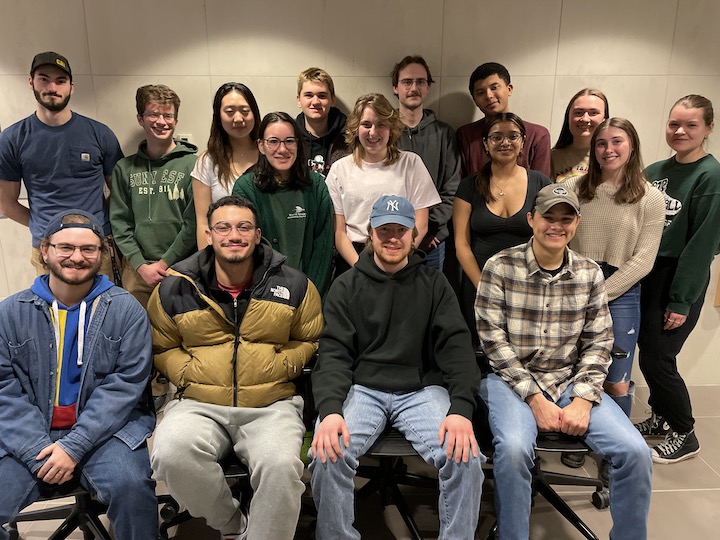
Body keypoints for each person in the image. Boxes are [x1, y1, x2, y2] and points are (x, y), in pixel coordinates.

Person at [476, 184, 653, 540]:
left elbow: (600, 341)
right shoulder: (500, 266)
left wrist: (585, 398)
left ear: (576, 224)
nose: (556, 226)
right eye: (548, 217)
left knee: (636, 452)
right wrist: (534, 398)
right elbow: (492, 340)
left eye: (565, 219)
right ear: (531, 219)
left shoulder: (590, 274)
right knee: (512, 451)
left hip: (571, 381)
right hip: (513, 382)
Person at [148, 196, 323, 540]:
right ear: (209, 234)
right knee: (170, 454)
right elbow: (161, 345)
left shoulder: (294, 284)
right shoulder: (175, 286)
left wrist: (281, 363)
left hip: (271, 404)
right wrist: (188, 372)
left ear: (258, 235)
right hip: (198, 403)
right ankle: (233, 527)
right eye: (223, 227)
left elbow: (312, 339)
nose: (234, 235)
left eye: (244, 227)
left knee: (282, 467)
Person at [310, 195, 484, 540]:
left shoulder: (434, 284)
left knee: (466, 458)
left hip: (422, 390)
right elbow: (333, 354)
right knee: (327, 453)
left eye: (400, 230)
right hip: (362, 389)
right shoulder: (346, 286)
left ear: (414, 235)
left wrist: (462, 409)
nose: (392, 237)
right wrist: (330, 411)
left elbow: (458, 350)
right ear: (370, 233)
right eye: (384, 229)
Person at [0, 210, 157, 540]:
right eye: (65, 247)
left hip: (105, 434)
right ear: (45, 250)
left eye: (89, 249)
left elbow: (126, 385)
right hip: (31, 436)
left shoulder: (126, 310)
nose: (77, 257)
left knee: (132, 491)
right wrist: (34, 450)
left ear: (101, 254)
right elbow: (4, 389)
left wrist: (73, 447)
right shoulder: (9, 313)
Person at [561, 117, 664, 472]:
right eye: (601, 144)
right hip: (574, 284)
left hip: (621, 289)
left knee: (615, 376)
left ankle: (614, 451)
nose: (609, 150)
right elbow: (560, 240)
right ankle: (580, 434)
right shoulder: (575, 188)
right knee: (575, 367)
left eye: (617, 142)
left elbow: (644, 259)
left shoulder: (650, 198)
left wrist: (600, 293)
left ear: (631, 145)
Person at [635, 94, 720, 464]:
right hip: (648, 271)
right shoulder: (654, 171)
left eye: (690, 125)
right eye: (674, 124)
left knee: (659, 357)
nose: (680, 131)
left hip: (679, 274)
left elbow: (702, 245)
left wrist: (681, 300)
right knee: (649, 353)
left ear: (708, 129)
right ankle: (660, 417)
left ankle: (685, 431)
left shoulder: (711, 176)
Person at [0, 52, 123, 279]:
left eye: (60, 81)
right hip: (48, 249)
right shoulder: (12, 138)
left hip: (96, 245)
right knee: (56, 314)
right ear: (31, 83)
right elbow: (6, 204)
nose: (52, 87)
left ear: (71, 87)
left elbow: (120, 192)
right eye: (44, 79)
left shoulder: (100, 134)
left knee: (106, 311)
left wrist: (95, 221)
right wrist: (47, 229)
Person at [453, 112, 551, 342]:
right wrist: (484, 288)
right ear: (486, 144)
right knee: (481, 352)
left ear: (523, 142)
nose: (505, 142)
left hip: (528, 286)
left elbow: (550, 237)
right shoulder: (469, 186)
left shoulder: (541, 183)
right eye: (496, 137)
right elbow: (461, 244)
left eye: (512, 136)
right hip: (479, 282)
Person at [325, 93, 440, 272]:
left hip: (401, 256)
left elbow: (421, 224)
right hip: (354, 260)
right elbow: (339, 232)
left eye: (381, 124)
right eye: (366, 124)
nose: (373, 132)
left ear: (391, 128)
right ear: (355, 128)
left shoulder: (411, 163)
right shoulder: (339, 170)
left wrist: (398, 260)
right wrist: (361, 267)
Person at [110, 84, 198, 308]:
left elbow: (193, 222)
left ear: (176, 120)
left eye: (168, 115)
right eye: (153, 114)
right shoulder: (124, 168)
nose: (162, 122)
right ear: (140, 118)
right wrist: (140, 265)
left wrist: (165, 262)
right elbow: (121, 223)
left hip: (183, 265)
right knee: (137, 332)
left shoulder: (194, 164)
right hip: (137, 269)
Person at [233, 112, 333, 298]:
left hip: (309, 292)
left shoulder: (316, 185)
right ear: (261, 146)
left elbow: (323, 247)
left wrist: (311, 295)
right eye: (273, 141)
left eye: (289, 141)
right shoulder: (246, 188)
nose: (282, 149)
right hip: (262, 294)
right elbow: (245, 247)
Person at [391, 55, 461, 270]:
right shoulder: (384, 133)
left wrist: (429, 230)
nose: (414, 87)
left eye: (421, 81)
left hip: (432, 241)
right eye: (407, 82)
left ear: (428, 87)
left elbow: (452, 188)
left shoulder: (444, 133)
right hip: (390, 239)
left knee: (428, 301)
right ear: (395, 87)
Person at [193, 82, 261, 248]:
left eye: (245, 111)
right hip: (226, 253)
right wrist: (207, 266)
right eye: (229, 112)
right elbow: (203, 223)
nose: (238, 119)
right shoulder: (207, 162)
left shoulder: (269, 153)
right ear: (218, 116)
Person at [456, 62, 551, 178]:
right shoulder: (465, 136)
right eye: (480, 93)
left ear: (509, 89)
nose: (488, 96)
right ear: (475, 100)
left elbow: (542, 187)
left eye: (494, 88)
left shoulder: (537, 135)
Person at [295, 67, 349, 177]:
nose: (315, 102)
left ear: (332, 100)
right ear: (299, 100)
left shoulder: (350, 137)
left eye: (322, 96)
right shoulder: (290, 137)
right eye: (308, 95)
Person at [551, 88, 609, 182]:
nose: (585, 118)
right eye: (578, 112)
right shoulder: (551, 158)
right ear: (568, 117)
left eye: (593, 113)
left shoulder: (611, 157)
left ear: (605, 119)